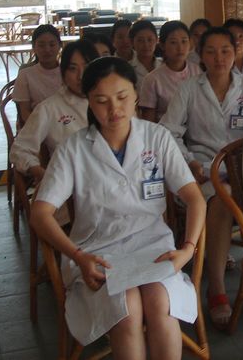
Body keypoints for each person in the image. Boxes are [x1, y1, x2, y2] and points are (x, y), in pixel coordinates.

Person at [30, 57, 206, 360]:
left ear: (136, 94)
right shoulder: (74, 148)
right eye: (101, 101)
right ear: (89, 101)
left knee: (161, 302)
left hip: (153, 247)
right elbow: (40, 213)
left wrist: (188, 249)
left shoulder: (156, 137)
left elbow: (194, 197)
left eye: (122, 97)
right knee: (127, 308)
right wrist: (77, 256)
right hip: (97, 254)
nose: (114, 109)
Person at [160, 27, 243, 328]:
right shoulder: (189, 89)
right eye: (211, 51)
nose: (219, 58)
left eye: (225, 50)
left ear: (236, 52)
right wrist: (190, 161)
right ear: (200, 55)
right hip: (203, 174)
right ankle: (216, 288)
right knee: (223, 199)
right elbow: (168, 132)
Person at [10, 40, 99, 186]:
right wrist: (44, 175)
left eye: (87, 67)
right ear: (63, 73)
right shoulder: (49, 108)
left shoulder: (111, 103)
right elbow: (19, 150)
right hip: (71, 186)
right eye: (73, 68)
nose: (81, 76)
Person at [139, 21, 201, 123]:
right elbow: (149, 121)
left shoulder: (198, 71)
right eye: (173, 42)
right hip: (166, 131)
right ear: (162, 45)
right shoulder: (152, 79)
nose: (180, 48)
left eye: (184, 41)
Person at [13, 24, 62, 124]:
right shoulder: (25, 75)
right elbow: (24, 113)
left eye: (52, 44)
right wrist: (43, 129)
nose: (47, 49)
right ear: (34, 47)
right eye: (41, 45)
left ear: (60, 46)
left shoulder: (68, 72)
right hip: (37, 127)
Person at [129, 20, 160, 90]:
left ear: (157, 40)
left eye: (150, 40)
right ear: (132, 42)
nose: (146, 45)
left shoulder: (164, 64)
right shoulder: (127, 69)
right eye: (140, 40)